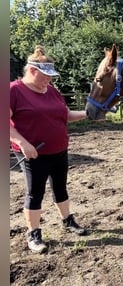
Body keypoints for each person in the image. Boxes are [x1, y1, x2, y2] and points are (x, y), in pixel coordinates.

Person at [10, 45, 88, 254]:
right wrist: (23, 143)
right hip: (33, 153)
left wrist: (88, 113)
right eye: (46, 75)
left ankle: (67, 219)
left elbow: (65, 116)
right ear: (32, 71)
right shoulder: (14, 90)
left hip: (59, 149)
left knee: (60, 187)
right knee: (35, 192)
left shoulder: (52, 91)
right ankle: (34, 233)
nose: (50, 80)